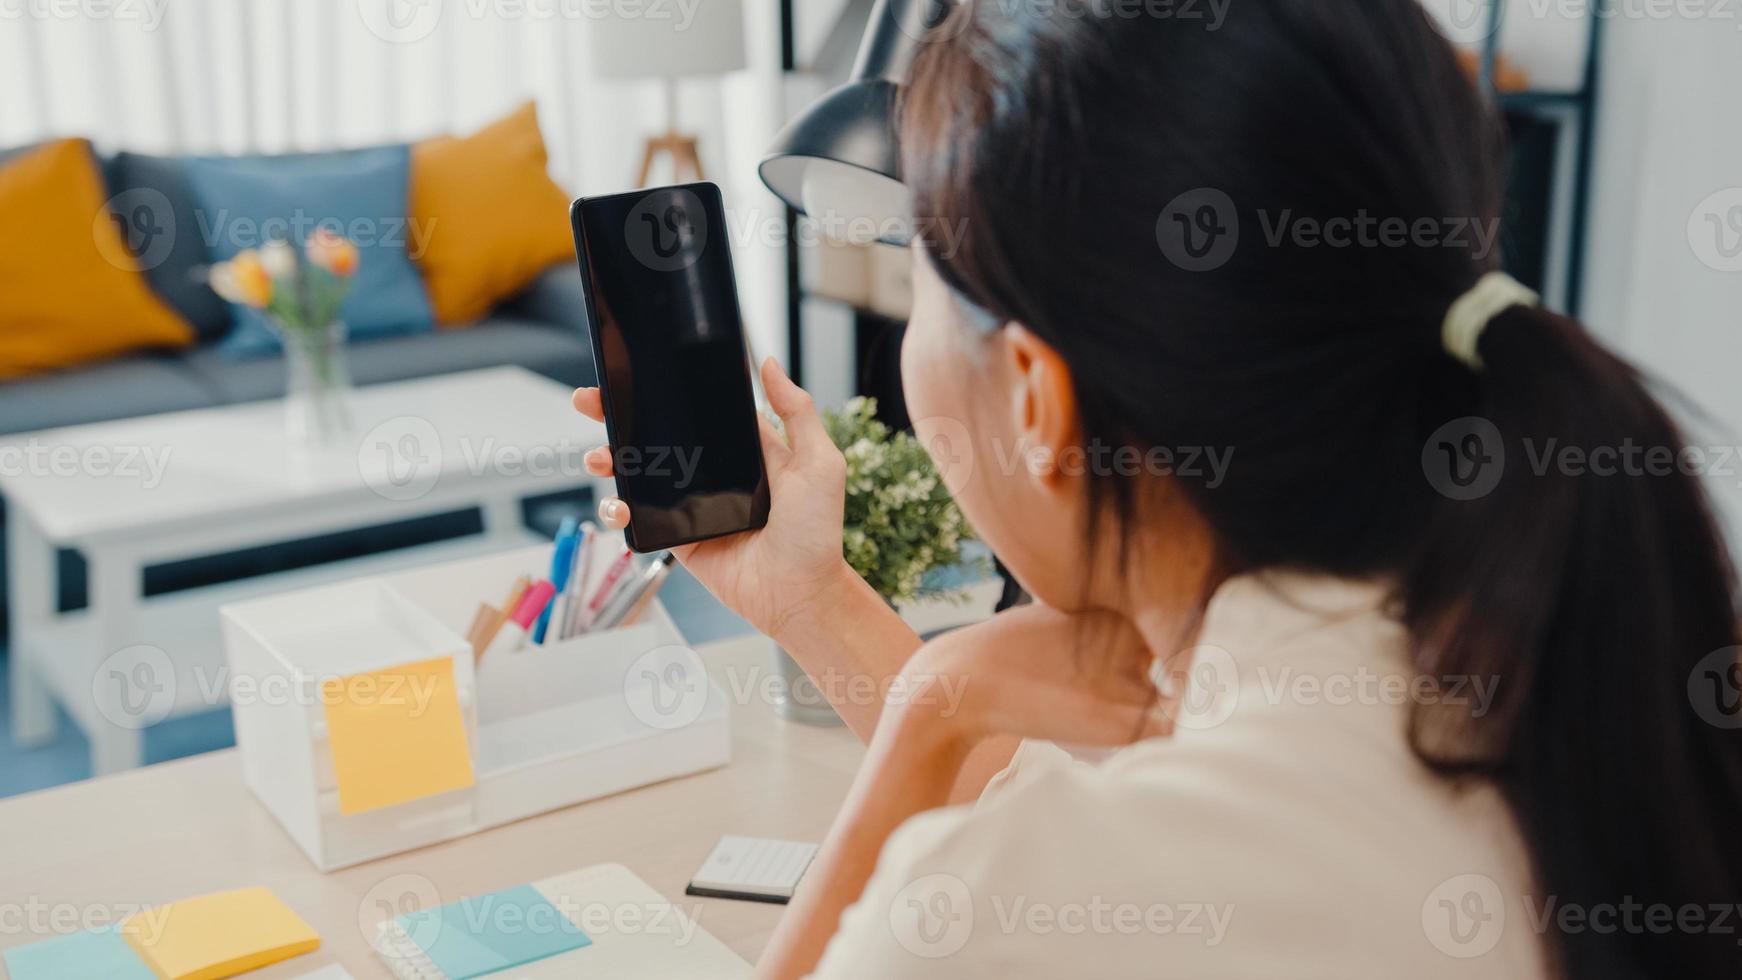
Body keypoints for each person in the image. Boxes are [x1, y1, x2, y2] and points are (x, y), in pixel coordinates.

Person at [574, 0, 1742, 975]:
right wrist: (849, 624)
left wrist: (918, 740)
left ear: (1036, 396)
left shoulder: (997, 908)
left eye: (917, 279)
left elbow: (1061, 873)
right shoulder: (1554, 655)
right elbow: (1128, 826)